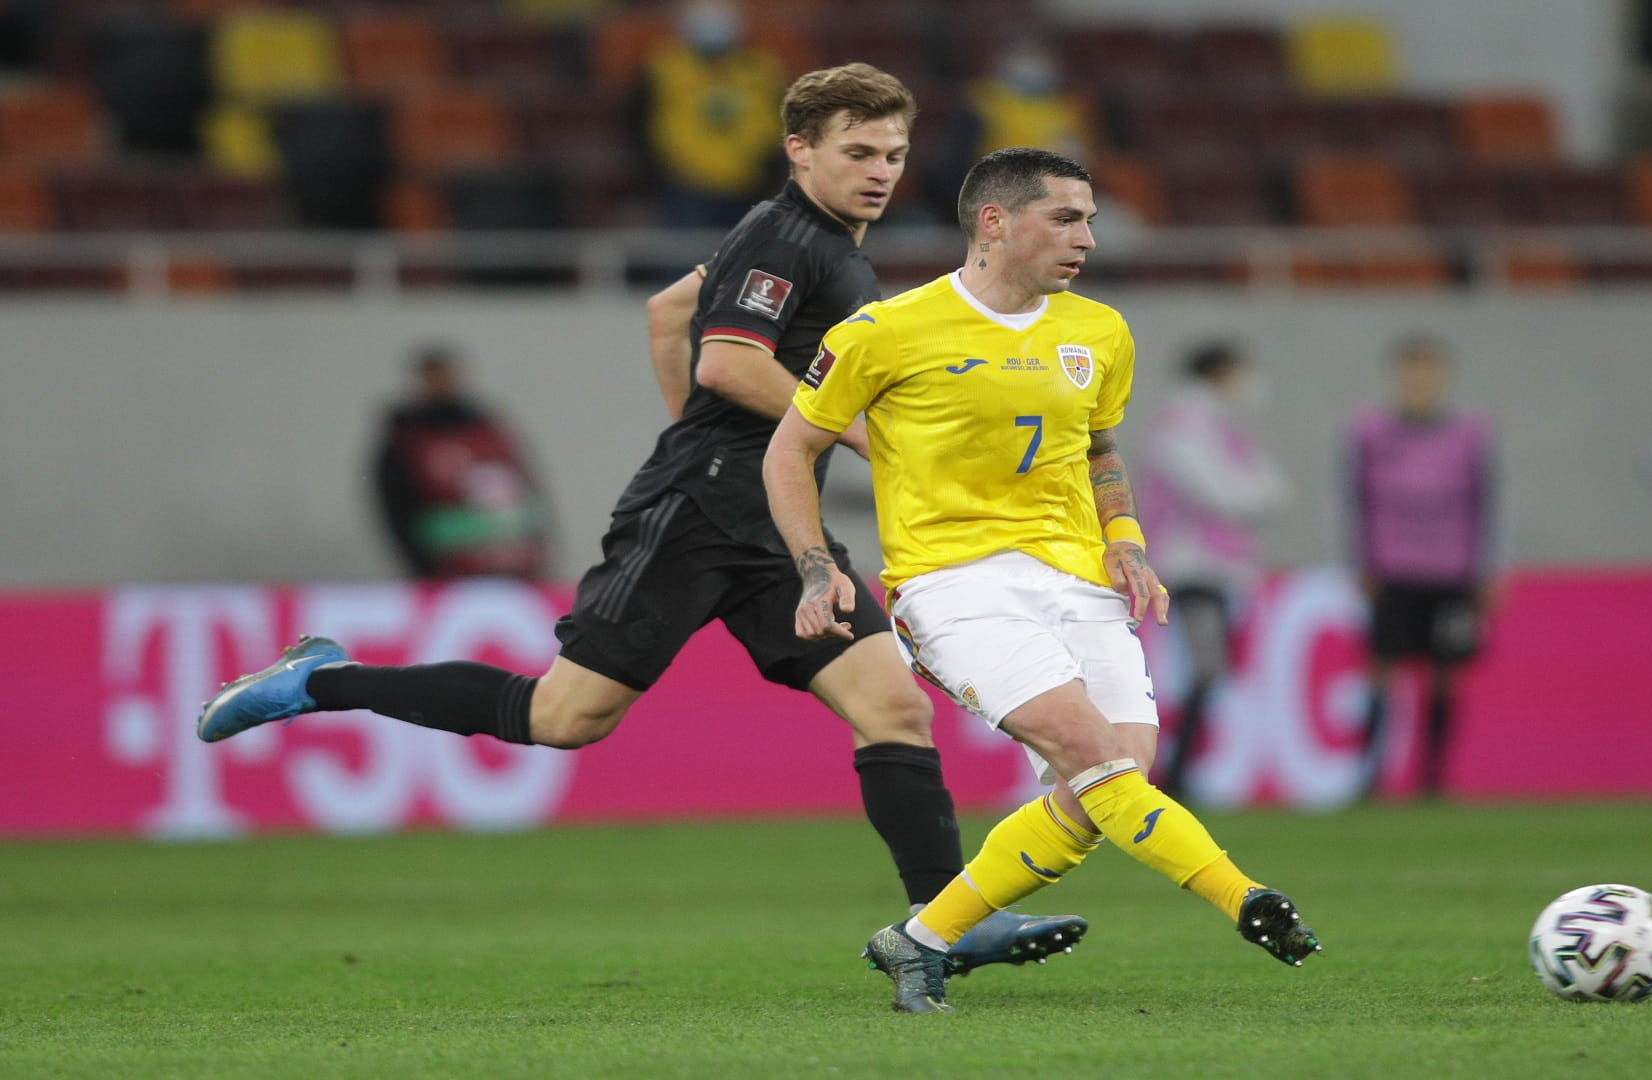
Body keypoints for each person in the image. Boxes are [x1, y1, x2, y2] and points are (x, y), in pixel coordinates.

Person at [196, 64, 1082, 974]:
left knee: (891, 705)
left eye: (894, 153)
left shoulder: (821, 247)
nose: (881, 170)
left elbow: (670, 314)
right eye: (857, 151)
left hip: (769, 514)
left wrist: (703, 439)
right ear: (799, 149)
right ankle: (323, 681)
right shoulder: (790, 236)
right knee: (564, 716)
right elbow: (726, 363)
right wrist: (843, 437)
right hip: (699, 511)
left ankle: (945, 917)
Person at [764, 146, 1320, 1014]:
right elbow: (791, 448)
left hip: (1077, 576)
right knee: (1097, 760)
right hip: (953, 584)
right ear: (995, 222)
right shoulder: (884, 332)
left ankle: (918, 940)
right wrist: (814, 568)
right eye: (1066, 218)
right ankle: (1242, 897)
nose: (1087, 238)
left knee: (1109, 784)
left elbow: (1098, 449)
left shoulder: (1099, 332)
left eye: (1089, 219)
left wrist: (1127, 541)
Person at [1345, 335, 1497, 800]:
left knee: (1445, 673)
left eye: (1428, 373)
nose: (1420, 383)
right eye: (1412, 373)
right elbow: (1352, 500)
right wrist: (1359, 561)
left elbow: (1490, 502)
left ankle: (1433, 778)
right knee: (1382, 669)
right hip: (1392, 567)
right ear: (1398, 377)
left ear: (1441, 378)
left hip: (1452, 571)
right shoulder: (1368, 431)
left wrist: (1488, 569)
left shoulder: (1471, 433)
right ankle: (1370, 777)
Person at [1137, 341, 1290, 799]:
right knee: (1204, 668)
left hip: (1218, 567)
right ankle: (1175, 775)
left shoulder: (1218, 425)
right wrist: (1254, 497)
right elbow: (1227, 492)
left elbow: (1267, 489)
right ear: (1220, 373)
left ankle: (1182, 772)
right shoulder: (1182, 426)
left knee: (1209, 670)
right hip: (1191, 566)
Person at [373, 343, 552, 581]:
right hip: (447, 569)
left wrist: (537, 545)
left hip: (513, 565)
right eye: (435, 376)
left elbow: (524, 489)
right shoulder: (406, 439)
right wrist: (420, 563)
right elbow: (396, 504)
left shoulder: (487, 427)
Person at [640, 0, 786, 228]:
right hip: (687, 181)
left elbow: (774, 118)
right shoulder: (666, 65)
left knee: (746, 256)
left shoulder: (759, 67)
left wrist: (770, 162)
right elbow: (645, 120)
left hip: (749, 178)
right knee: (690, 254)